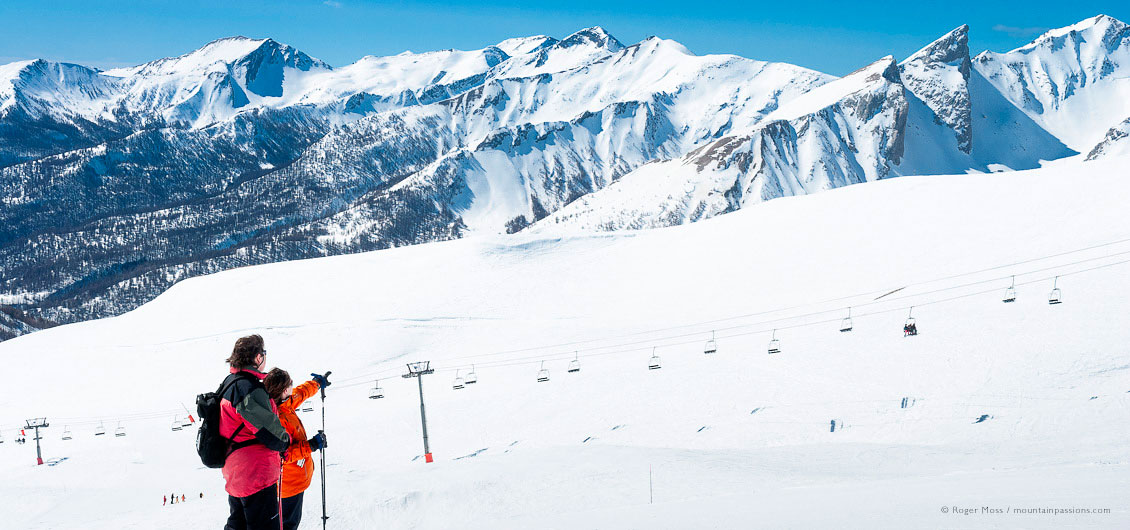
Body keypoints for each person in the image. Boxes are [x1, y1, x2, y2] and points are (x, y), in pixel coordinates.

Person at [219, 334, 290, 530]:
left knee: (238, 524)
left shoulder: (229, 382)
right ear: (258, 358)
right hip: (256, 475)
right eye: (263, 354)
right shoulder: (247, 388)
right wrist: (285, 441)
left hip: (236, 472)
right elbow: (272, 433)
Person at [263, 369, 330, 530]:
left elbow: (301, 393)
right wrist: (312, 445)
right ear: (284, 390)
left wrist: (317, 384)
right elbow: (284, 455)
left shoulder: (283, 404)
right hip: (289, 485)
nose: (293, 386)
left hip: (294, 481)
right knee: (288, 524)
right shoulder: (278, 420)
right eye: (290, 384)